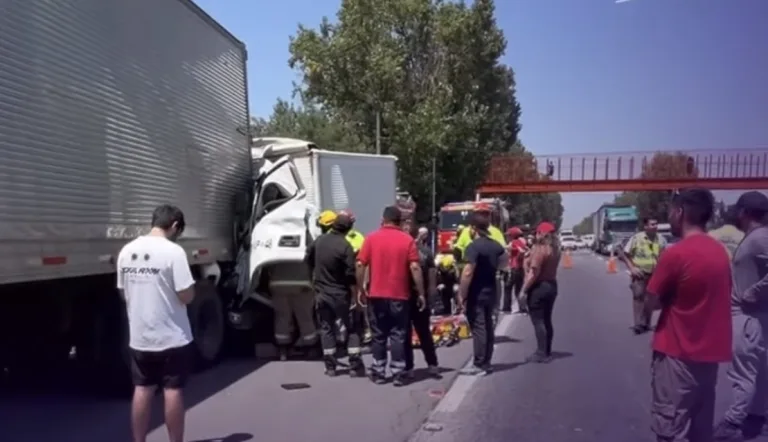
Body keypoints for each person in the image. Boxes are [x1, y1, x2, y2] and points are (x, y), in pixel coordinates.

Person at [643, 189, 732, 442]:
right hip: (709, 361)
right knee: (700, 430)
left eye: (671, 211)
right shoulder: (720, 253)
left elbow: (651, 301)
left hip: (676, 356)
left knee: (671, 428)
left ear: (680, 212)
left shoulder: (676, 254)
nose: (669, 217)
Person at [117, 205, 195, 442]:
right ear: (173, 226)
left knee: (142, 389)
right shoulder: (174, 252)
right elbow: (186, 295)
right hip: (172, 336)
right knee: (172, 390)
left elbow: (123, 292)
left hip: (140, 337)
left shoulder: (126, 251)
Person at [713, 191, 768, 441]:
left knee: (743, 372)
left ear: (744, 213)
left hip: (748, 316)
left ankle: (733, 424)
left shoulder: (759, 239)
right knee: (758, 369)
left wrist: (753, 292)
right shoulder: (756, 237)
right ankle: (757, 418)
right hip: (755, 316)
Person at [357, 206, 425, 386]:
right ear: (400, 221)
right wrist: (421, 292)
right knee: (398, 334)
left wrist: (360, 289)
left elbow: (360, 264)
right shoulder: (407, 240)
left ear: (383, 219)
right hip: (399, 296)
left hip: (376, 295)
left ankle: (379, 371)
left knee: (378, 334)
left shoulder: (371, 238)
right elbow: (415, 267)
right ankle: (398, 373)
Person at [304, 213, 363, 377]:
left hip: (322, 295)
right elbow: (351, 275)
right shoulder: (345, 246)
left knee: (326, 328)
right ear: (348, 229)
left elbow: (306, 260)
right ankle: (354, 365)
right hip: (341, 295)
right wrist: (355, 297)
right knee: (352, 328)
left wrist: (312, 281)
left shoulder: (318, 242)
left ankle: (330, 367)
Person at [457, 211, 507, 375]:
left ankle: (479, 364)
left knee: (478, 328)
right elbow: (504, 264)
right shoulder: (496, 246)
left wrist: (461, 295)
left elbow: (467, 272)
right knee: (488, 326)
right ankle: (487, 361)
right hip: (491, 290)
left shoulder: (473, 247)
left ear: (473, 228)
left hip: (476, 292)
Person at [401, 218, 441, 381]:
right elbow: (432, 277)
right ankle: (432, 365)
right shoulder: (425, 251)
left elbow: (431, 275)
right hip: (418, 296)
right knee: (423, 332)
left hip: (407, 297)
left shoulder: (416, 252)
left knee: (407, 334)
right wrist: (430, 295)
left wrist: (429, 294)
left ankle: (410, 367)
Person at [520, 221, 561, 363]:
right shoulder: (555, 249)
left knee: (538, 321)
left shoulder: (540, 249)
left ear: (541, 234)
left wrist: (523, 290)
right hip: (551, 285)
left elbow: (534, 272)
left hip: (539, 287)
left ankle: (541, 353)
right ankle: (547, 350)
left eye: (537, 233)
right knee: (547, 319)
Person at [621, 217, 667, 335]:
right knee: (638, 297)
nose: (655, 226)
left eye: (656, 224)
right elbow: (624, 254)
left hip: (655, 273)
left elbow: (664, 255)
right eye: (652, 224)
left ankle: (646, 323)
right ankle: (638, 324)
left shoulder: (661, 239)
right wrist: (632, 268)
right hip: (640, 273)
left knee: (651, 299)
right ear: (645, 227)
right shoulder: (637, 238)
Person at [502, 227, 528, 314]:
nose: (507, 237)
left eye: (509, 235)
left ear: (512, 235)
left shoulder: (513, 242)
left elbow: (521, 251)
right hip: (520, 269)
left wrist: (517, 256)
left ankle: (506, 308)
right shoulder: (521, 242)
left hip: (513, 268)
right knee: (518, 289)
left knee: (508, 288)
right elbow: (526, 250)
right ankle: (523, 308)